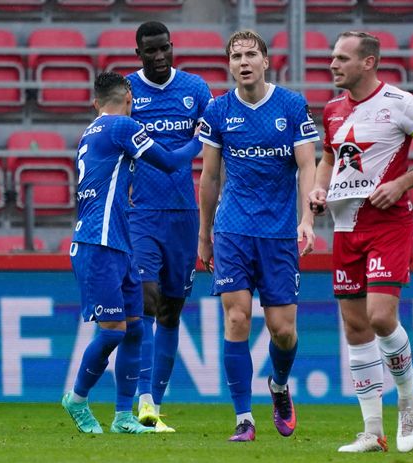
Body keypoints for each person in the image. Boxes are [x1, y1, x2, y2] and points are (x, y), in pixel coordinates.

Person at [308, 31, 413, 453]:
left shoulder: (402, 103)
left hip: (388, 224)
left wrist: (402, 183)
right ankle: (372, 431)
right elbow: (329, 158)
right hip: (344, 227)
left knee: (379, 317)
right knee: (355, 327)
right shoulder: (333, 110)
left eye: (342, 58)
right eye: (332, 57)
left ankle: (409, 403)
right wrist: (319, 188)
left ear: (368, 62)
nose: (333, 64)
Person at [61, 71, 202, 435]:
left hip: (117, 243)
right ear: (129, 99)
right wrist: (199, 138)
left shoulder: (91, 131)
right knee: (112, 332)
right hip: (99, 243)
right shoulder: (121, 126)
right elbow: (168, 162)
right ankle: (76, 398)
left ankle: (123, 416)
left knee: (135, 329)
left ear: (96, 102)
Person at [198, 30, 319, 442]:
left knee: (283, 330)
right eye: (236, 56)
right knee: (236, 318)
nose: (244, 62)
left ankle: (279, 386)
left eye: (251, 54)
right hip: (233, 229)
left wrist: (307, 218)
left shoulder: (291, 105)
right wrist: (204, 235)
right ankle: (243, 418)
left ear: (266, 61)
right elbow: (210, 177)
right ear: (229, 65)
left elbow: (307, 167)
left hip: (279, 233)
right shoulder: (218, 110)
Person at [126, 21, 212, 433]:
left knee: (172, 312)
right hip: (141, 211)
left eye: (164, 48)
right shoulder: (128, 90)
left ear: (172, 46)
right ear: (138, 53)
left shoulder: (195, 89)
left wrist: (181, 152)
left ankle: (155, 404)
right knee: (147, 299)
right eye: (151, 51)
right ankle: (143, 399)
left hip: (183, 214)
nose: (159, 57)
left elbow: (212, 138)